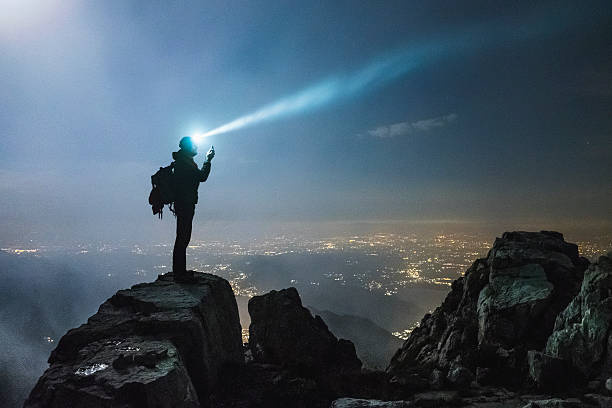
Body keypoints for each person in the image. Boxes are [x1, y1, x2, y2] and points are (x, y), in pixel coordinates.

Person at [171, 136, 215, 282]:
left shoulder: (183, 162)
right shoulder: (185, 163)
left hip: (183, 203)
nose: (196, 147)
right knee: (183, 237)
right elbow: (201, 177)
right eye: (194, 145)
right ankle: (179, 274)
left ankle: (180, 271)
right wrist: (208, 160)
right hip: (185, 203)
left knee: (182, 237)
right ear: (187, 148)